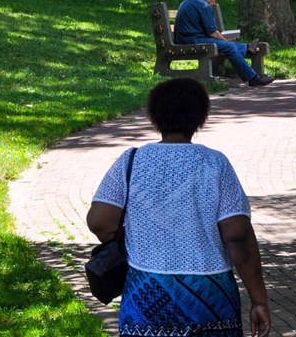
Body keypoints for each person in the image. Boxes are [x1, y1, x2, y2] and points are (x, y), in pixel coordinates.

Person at [87, 77, 271, 337]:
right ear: (200, 118)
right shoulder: (215, 164)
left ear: (154, 117)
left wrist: (136, 241)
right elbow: (238, 236)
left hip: (146, 291)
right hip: (210, 294)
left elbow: (99, 222)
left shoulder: (131, 161)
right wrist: (259, 300)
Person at [174, 0, 274, 87]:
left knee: (229, 45)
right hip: (192, 40)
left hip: (183, 38)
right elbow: (212, 32)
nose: (214, 3)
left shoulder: (191, 1)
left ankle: (247, 48)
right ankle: (252, 78)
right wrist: (225, 40)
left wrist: (224, 40)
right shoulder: (204, 5)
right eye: (215, 0)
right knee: (229, 46)